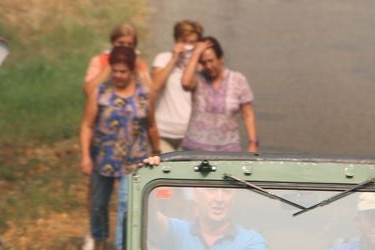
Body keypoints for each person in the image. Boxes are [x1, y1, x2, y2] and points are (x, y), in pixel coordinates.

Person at [79, 46, 161, 250]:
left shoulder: (144, 94)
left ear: (132, 71)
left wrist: (157, 151)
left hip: (134, 159)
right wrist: (86, 156)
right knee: (98, 203)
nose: (118, 76)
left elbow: (151, 126)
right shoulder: (101, 93)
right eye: (115, 71)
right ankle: (100, 238)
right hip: (103, 157)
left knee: (126, 203)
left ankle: (122, 246)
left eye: (123, 71)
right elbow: (87, 125)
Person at [180, 37, 259, 153]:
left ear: (220, 58)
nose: (208, 66)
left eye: (211, 61)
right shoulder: (197, 78)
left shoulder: (238, 80)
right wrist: (196, 53)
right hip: (194, 149)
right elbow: (185, 83)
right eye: (203, 62)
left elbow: (248, 114)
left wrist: (253, 143)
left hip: (229, 150)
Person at [149, 186, 266, 250]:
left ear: (233, 198)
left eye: (227, 191)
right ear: (196, 195)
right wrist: (152, 170)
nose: (219, 199)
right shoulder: (178, 231)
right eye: (212, 190)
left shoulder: (250, 240)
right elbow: (150, 216)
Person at [150, 20, 204, 153]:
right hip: (163, 132)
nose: (189, 46)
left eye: (193, 42)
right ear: (177, 39)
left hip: (190, 134)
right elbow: (154, 87)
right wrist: (174, 59)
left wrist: (194, 64)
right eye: (186, 41)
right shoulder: (163, 58)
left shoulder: (202, 64)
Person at [82, 22, 151, 99]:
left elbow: (151, 92)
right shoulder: (99, 60)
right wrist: (111, 64)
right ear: (113, 43)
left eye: (130, 45)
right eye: (121, 43)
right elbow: (88, 91)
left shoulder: (139, 63)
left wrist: (137, 70)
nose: (125, 48)